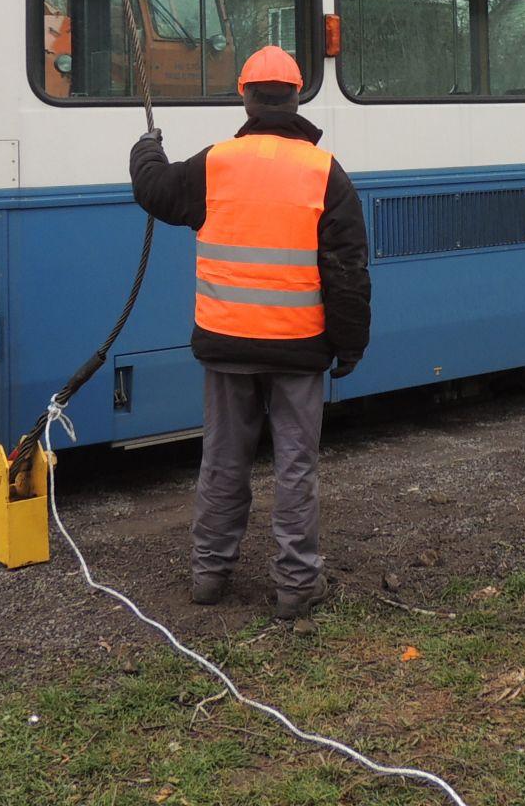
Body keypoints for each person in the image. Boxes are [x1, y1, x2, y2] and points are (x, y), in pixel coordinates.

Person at [128, 45, 371, 621]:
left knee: (223, 460)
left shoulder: (216, 163)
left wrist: (146, 149)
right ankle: (295, 586)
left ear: (246, 98)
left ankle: (210, 574)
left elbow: (154, 189)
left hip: (226, 341)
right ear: (295, 98)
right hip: (298, 346)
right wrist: (351, 343)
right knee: (294, 466)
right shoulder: (324, 171)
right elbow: (347, 270)